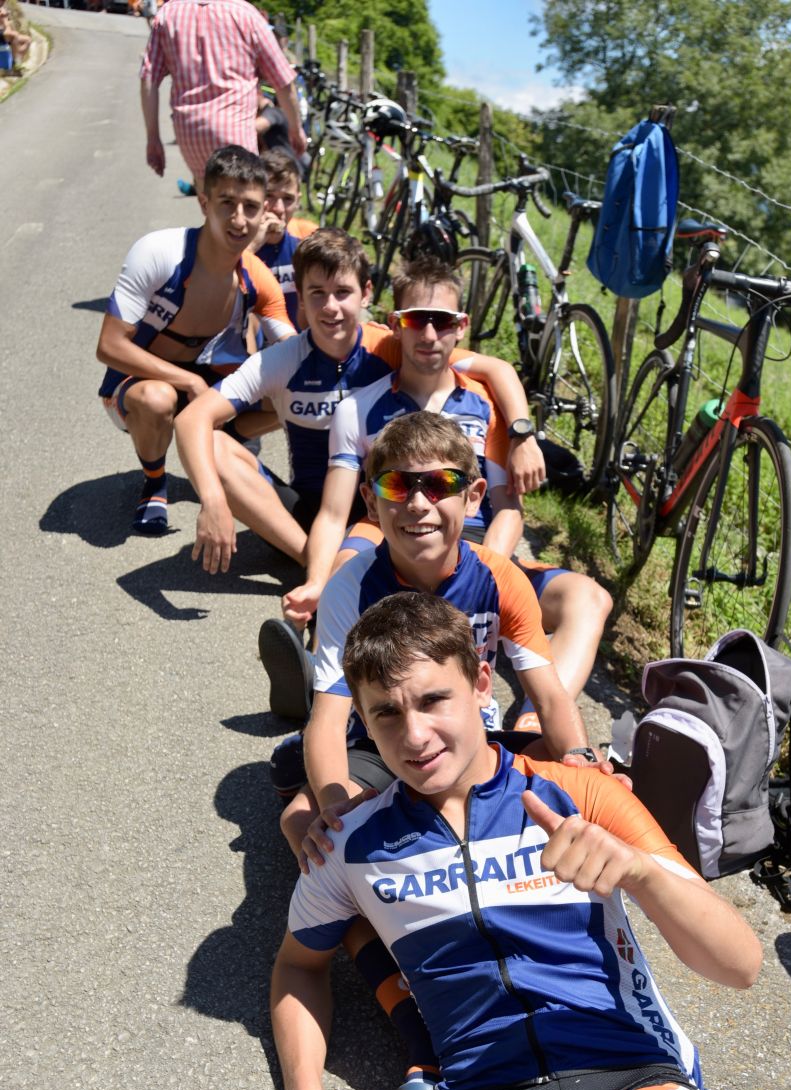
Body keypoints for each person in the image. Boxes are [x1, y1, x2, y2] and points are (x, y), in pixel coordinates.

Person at [268, 590, 791, 1090]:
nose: (415, 734)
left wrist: (642, 874)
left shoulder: (575, 794)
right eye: (385, 716)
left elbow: (741, 962)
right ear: (362, 723)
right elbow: (299, 967)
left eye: (434, 699)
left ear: (479, 684)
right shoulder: (351, 846)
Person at [266, 255, 610, 733]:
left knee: (589, 597)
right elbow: (333, 511)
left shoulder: (488, 404)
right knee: (349, 567)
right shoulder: (359, 408)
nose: (428, 335)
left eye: (442, 322)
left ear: (461, 327)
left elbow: (508, 507)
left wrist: (483, 570)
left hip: (476, 543)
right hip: (392, 531)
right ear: (395, 326)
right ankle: (327, 687)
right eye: (415, 321)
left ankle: (535, 724)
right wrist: (317, 582)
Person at [173, 229, 543, 615]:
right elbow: (191, 420)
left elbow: (496, 368)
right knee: (215, 446)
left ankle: (342, 571)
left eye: (343, 292)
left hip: (387, 504)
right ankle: (318, 565)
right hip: (317, 509)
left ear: (365, 293)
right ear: (299, 295)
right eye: (316, 293)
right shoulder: (282, 360)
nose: (330, 307)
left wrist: (521, 433)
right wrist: (212, 499)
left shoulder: (393, 344)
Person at [279, 411, 593, 863]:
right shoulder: (349, 587)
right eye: (397, 485)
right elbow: (329, 719)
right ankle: (366, 934)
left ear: (473, 497)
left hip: (471, 739)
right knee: (305, 819)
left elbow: (550, 699)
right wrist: (336, 808)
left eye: (441, 484)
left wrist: (581, 760)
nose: (419, 503)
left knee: (568, 771)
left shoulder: (499, 577)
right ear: (370, 500)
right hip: (384, 742)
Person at [97, 145, 294, 534]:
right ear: (204, 203)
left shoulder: (256, 278)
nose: (239, 220)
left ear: (264, 211)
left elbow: (295, 349)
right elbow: (109, 346)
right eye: (227, 203)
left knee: (288, 394)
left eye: (251, 207)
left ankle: (222, 437)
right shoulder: (159, 253)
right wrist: (187, 381)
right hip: (134, 387)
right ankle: (155, 482)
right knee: (158, 398)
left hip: (211, 386)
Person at [139, 0, 307, 192]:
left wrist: (153, 138)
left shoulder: (168, 14)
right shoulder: (246, 14)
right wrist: (296, 129)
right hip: (235, 131)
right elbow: (283, 81)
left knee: (211, 205)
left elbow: (149, 79)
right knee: (244, 206)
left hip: (189, 135)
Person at [246, 147, 316, 330]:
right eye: (269, 195)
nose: (278, 208)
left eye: (288, 199)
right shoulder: (235, 246)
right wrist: (251, 247)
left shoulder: (303, 248)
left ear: (298, 201)